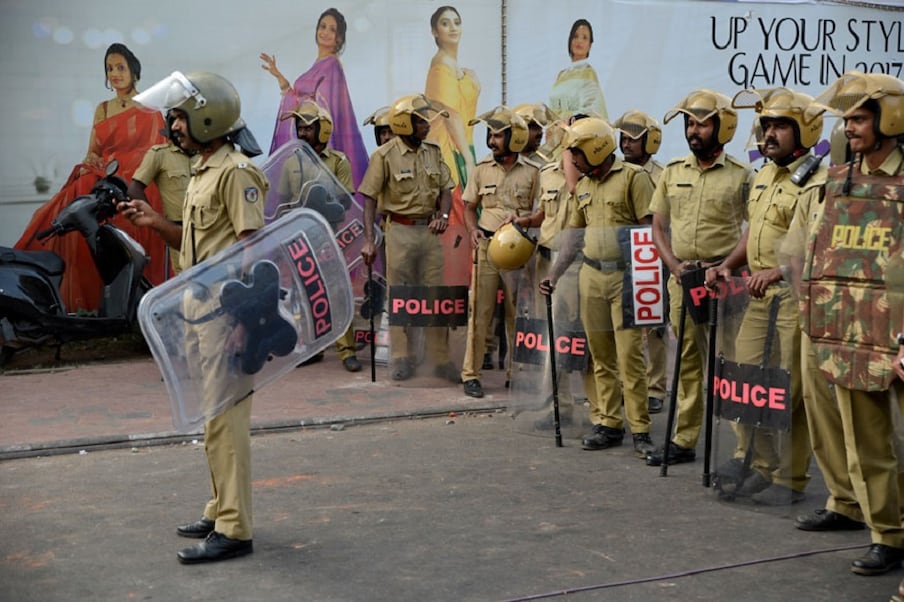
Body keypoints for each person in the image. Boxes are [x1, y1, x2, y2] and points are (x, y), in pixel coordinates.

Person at [120, 71, 267, 564]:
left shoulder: (236, 172)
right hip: (201, 311)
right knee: (212, 419)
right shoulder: (204, 170)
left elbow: (251, 251)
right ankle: (219, 508)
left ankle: (235, 528)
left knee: (226, 421)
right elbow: (195, 249)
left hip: (228, 314)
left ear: (208, 118)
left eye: (180, 117)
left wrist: (244, 322)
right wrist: (155, 222)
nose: (174, 126)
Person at [799, 71, 904, 578]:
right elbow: (820, 251)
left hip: (899, 335)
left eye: (860, 118)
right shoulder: (837, 178)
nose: (850, 128)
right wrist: (816, 318)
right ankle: (888, 536)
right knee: (865, 445)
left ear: (891, 119)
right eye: (848, 120)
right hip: (852, 332)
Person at [706, 88, 825, 505]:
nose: (769, 134)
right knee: (746, 382)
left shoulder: (818, 182)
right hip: (757, 295)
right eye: (766, 126)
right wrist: (728, 264)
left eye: (780, 126)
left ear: (805, 130)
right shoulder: (764, 175)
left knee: (788, 389)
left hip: (793, 296)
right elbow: (753, 232)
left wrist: (778, 270)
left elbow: (817, 245)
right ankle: (755, 460)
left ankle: (789, 478)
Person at [15, 42, 167, 312]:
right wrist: (91, 163)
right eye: (110, 68)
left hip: (136, 181)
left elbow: (157, 153)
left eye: (120, 67)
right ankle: (37, 282)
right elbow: (93, 152)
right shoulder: (103, 109)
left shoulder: (150, 107)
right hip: (107, 177)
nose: (115, 73)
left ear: (134, 71)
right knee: (76, 196)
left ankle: (137, 306)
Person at [539, 117, 657, 457]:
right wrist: (554, 274)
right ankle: (609, 423)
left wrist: (649, 287)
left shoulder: (634, 178)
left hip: (626, 277)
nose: (572, 160)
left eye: (576, 152)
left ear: (595, 148)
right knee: (600, 355)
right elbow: (574, 236)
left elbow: (649, 231)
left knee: (630, 356)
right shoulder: (584, 186)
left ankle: (640, 428)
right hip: (591, 275)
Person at [647, 89, 752, 466]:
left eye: (703, 124)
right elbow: (658, 225)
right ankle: (683, 440)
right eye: (690, 123)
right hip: (685, 280)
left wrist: (728, 264)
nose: (693, 130)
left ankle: (745, 449)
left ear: (723, 128)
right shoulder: (673, 171)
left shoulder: (741, 175)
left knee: (730, 363)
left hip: (725, 281)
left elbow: (754, 228)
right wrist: (674, 266)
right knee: (687, 360)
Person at [790, 119, 866, 532]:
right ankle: (844, 499)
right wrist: (805, 304)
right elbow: (795, 251)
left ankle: (885, 512)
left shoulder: (891, 193)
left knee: (868, 422)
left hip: (867, 323)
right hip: (817, 316)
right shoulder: (818, 190)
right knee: (820, 409)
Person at [358, 94, 460, 384]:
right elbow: (369, 198)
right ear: (405, 124)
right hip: (399, 232)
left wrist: (443, 216)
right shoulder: (383, 156)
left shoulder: (433, 151)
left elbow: (446, 188)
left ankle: (440, 359)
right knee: (401, 297)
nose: (426, 125)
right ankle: (401, 357)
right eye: (420, 121)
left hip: (429, 232)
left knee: (435, 297)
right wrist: (369, 240)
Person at [459, 106, 540, 398]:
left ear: (514, 138)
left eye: (497, 136)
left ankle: (515, 373)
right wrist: (472, 230)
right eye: (490, 135)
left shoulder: (533, 172)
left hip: (519, 251)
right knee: (479, 313)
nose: (492, 142)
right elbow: (469, 207)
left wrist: (526, 225)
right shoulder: (481, 169)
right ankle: (471, 374)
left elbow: (542, 212)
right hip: (487, 247)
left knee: (517, 314)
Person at [277, 99, 361, 372]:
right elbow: (282, 201)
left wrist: (323, 205)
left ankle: (347, 350)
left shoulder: (338, 161)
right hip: (298, 238)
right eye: (300, 128)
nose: (302, 133)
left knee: (336, 290)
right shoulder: (291, 162)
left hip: (328, 236)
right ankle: (313, 348)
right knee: (305, 293)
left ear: (322, 130)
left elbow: (346, 200)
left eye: (308, 128)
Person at [260, 7, 368, 188]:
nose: (325, 32)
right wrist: (280, 77)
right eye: (322, 26)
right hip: (306, 137)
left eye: (332, 29)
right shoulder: (318, 64)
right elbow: (303, 99)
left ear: (339, 38)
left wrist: (300, 107)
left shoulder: (331, 65)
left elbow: (323, 108)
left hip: (316, 142)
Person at [613, 109, 669, 415]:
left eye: (633, 139)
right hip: (622, 260)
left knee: (655, 327)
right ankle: (629, 385)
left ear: (651, 141)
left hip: (654, 258)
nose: (626, 144)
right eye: (623, 138)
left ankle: (656, 388)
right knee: (626, 328)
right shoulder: (616, 173)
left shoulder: (663, 175)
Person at [424, 5, 480, 228]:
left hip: (464, 146)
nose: (453, 28)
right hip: (451, 151)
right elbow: (451, 115)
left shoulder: (457, 68)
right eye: (445, 23)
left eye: (456, 22)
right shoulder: (440, 66)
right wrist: (468, 160)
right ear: (434, 32)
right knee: (458, 217)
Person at [128, 111, 194, 276]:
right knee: (190, 279)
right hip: (178, 230)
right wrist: (156, 221)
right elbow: (134, 189)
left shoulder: (205, 155)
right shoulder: (160, 154)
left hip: (209, 229)